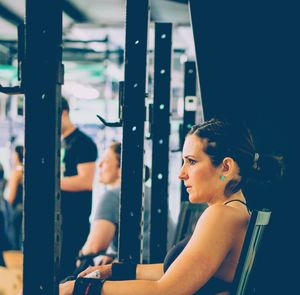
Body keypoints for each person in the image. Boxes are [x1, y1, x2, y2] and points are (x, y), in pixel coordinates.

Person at [60, 118, 283, 295]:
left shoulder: (222, 215)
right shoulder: (231, 210)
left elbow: (167, 290)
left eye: (192, 161)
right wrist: (113, 270)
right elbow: (174, 272)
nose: (181, 173)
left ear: (225, 166)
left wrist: (81, 289)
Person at [59, 97, 98, 280]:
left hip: (74, 225)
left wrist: (49, 182)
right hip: (59, 223)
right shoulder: (59, 143)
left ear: (64, 113)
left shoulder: (82, 143)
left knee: (67, 276)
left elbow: (85, 181)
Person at [72, 142, 122, 277]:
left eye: (105, 162)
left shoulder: (113, 196)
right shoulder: (145, 192)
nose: (99, 165)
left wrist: (80, 257)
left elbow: (95, 246)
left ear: (120, 168)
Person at [6, 145, 24, 250]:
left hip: (16, 209)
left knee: (14, 240)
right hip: (23, 208)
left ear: (16, 156)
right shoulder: (24, 170)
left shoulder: (16, 172)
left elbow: (11, 195)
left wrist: (6, 210)